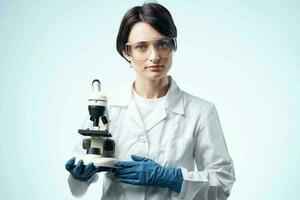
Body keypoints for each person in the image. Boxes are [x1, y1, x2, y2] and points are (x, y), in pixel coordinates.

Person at [65, 2, 235, 200]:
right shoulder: (105, 107)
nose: (154, 56)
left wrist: (172, 178)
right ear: (126, 52)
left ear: (173, 46)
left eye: (162, 44)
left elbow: (222, 185)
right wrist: (80, 177)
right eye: (141, 47)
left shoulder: (201, 112)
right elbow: (76, 190)